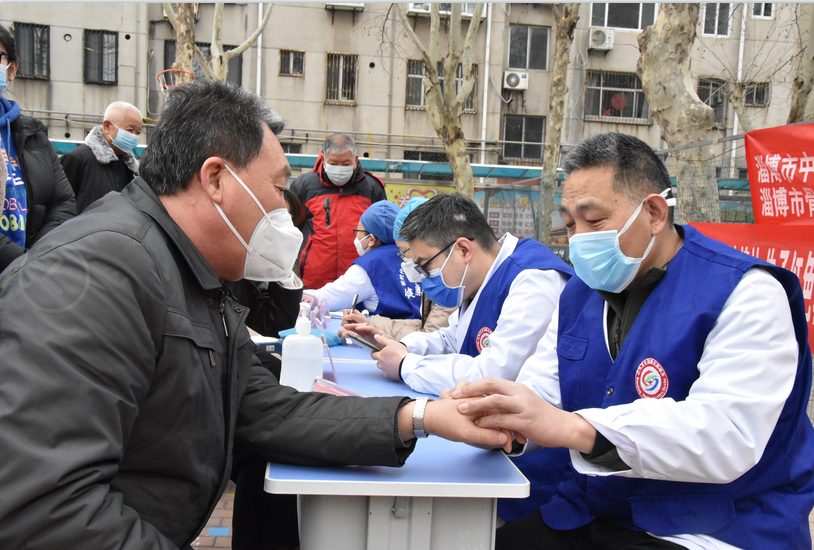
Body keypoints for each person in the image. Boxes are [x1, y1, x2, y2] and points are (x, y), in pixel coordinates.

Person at [0, 80, 506, 549]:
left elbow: (266, 409)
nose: (285, 211)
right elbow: (47, 507)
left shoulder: (187, 275)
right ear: (216, 179)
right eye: (278, 189)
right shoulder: (96, 274)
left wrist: (419, 417)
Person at [451, 132, 814, 550]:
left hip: (710, 524)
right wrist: (501, 417)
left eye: (595, 220)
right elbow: (542, 390)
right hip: (599, 507)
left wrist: (576, 426)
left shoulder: (744, 292)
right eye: (570, 224)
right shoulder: (579, 294)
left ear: (655, 212)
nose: (579, 240)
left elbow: (726, 433)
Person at [350, 192, 573, 396]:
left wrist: (405, 365)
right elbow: (451, 339)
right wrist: (402, 346)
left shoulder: (533, 280)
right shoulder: (482, 280)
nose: (421, 277)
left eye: (425, 266)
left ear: (463, 250)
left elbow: (494, 375)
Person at [0, 23, 75, 274]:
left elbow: (63, 202)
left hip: (30, 282)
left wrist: (41, 256)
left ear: (11, 70)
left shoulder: (33, 134)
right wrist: (26, 264)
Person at [340, 196, 455, 339]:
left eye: (406, 252)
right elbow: (426, 325)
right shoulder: (439, 274)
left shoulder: (452, 281)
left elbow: (432, 338)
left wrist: (372, 327)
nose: (409, 260)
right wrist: (370, 323)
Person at [290, 133, 386, 289]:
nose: (340, 169)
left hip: (359, 278)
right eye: (334, 163)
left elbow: (383, 235)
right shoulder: (303, 186)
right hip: (313, 279)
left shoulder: (372, 188)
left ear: (355, 160)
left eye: (346, 163)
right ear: (323, 159)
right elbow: (291, 229)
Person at [308, 199, 421, 319]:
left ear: (371, 239)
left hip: (383, 333)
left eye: (358, 230)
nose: (356, 235)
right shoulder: (414, 254)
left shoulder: (369, 266)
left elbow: (323, 300)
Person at [60, 101, 142, 213]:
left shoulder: (130, 168)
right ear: (107, 126)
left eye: (138, 132)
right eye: (129, 130)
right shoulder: (77, 159)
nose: (133, 136)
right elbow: (59, 207)